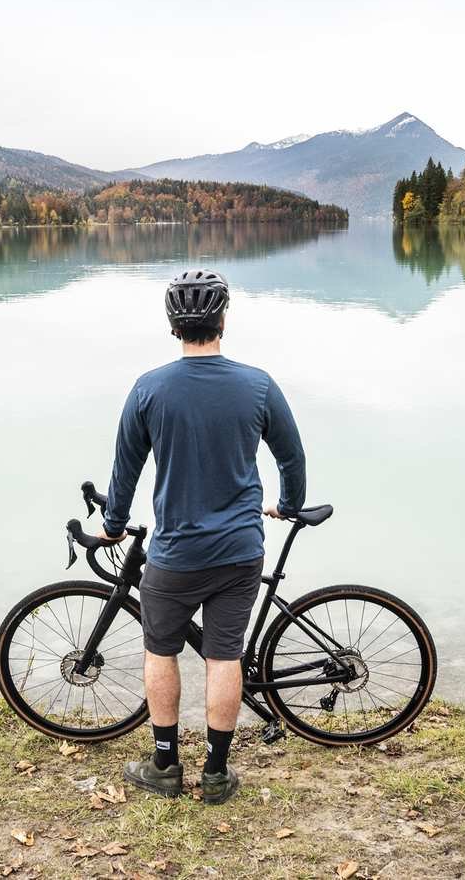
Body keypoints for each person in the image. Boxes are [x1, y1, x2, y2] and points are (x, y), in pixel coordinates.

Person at [98, 268, 306, 806]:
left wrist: (114, 525)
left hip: (175, 554)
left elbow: (125, 471)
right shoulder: (257, 384)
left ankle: (165, 764)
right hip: (239, 551)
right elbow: (292, 457)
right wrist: (288, 505)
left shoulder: (148, 388)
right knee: (224, 655)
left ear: (173, 325)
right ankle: (216, 772)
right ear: (223, 320)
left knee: (159, 651)